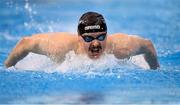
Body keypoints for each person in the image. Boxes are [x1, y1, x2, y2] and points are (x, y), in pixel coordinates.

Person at [4, 11, 160, 69]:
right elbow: (25, 43)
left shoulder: (122, 47)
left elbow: (148, 46)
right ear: (79, 39)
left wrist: (155, 70)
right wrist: (6, 68)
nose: (96, 43)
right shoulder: (61, 48)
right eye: (88, 38)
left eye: (101, 36)